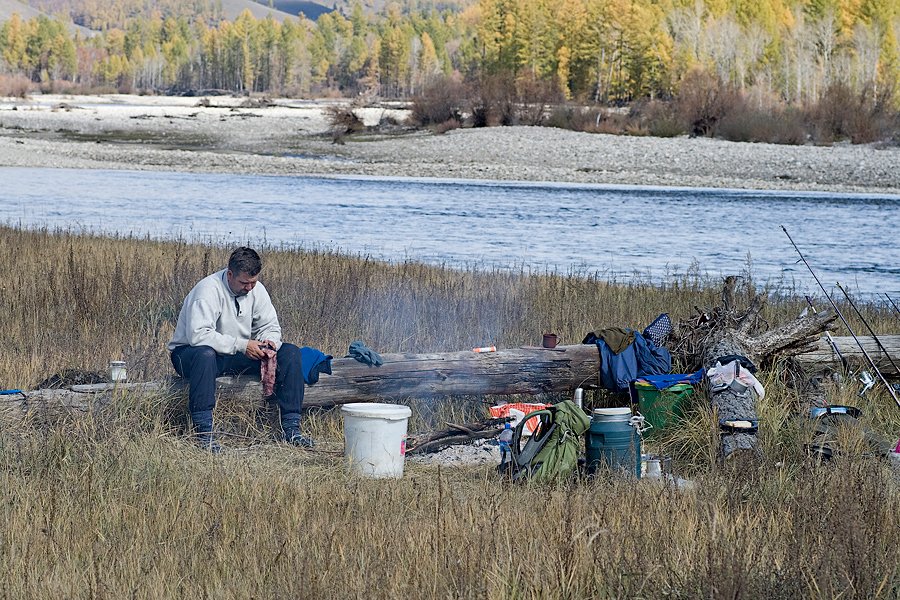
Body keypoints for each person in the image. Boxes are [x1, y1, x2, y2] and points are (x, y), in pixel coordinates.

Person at [168, 247, 312, 451]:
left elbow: (270, 326)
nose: (249, 288)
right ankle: (204, 433)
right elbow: (198, 336)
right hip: (189, 354)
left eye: (253, 282)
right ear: (229, 274)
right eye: (244, 283)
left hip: (235, 352)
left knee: (290, 352)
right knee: (205, 354)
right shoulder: (207, 291)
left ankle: (291, 429)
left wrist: (269, 342)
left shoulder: (257, 289)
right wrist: (242, 345)